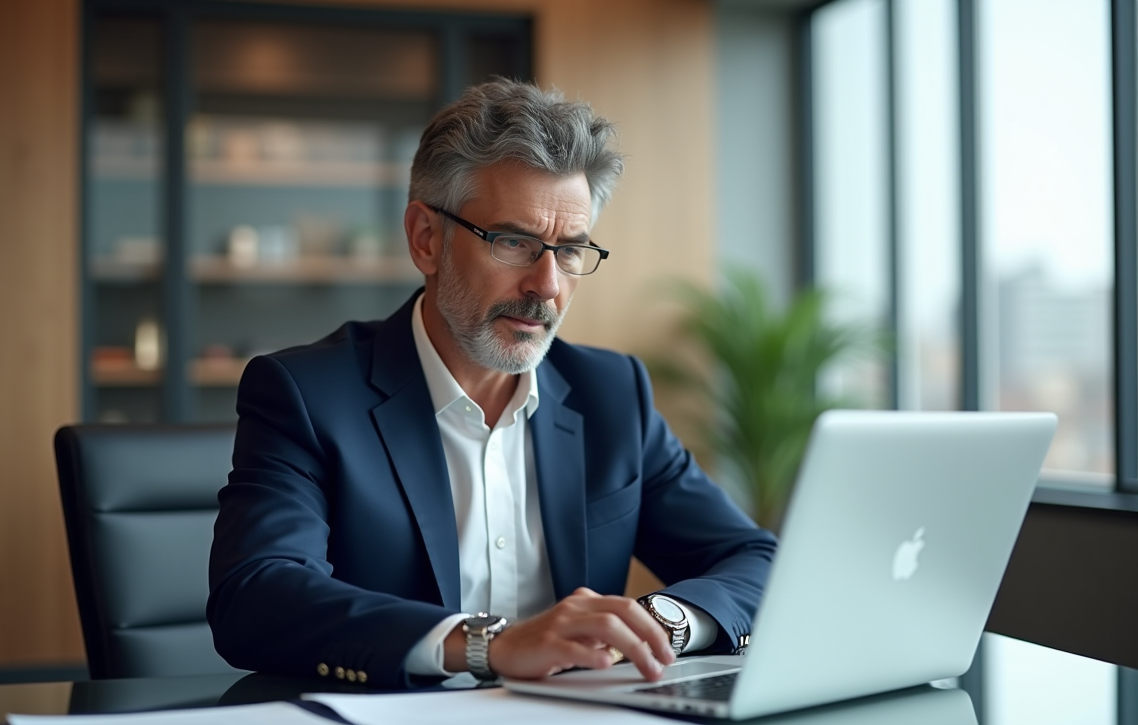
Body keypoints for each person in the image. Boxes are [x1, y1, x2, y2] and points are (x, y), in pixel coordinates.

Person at [207, 79, 777, 689]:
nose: (547, 286)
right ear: (426, 239)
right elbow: (256, 596)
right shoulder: (307, 394)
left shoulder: (611, 393)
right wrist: (487, 644)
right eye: (514, 242)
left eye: (570, 251)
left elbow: (759, 561)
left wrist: (661, 621)